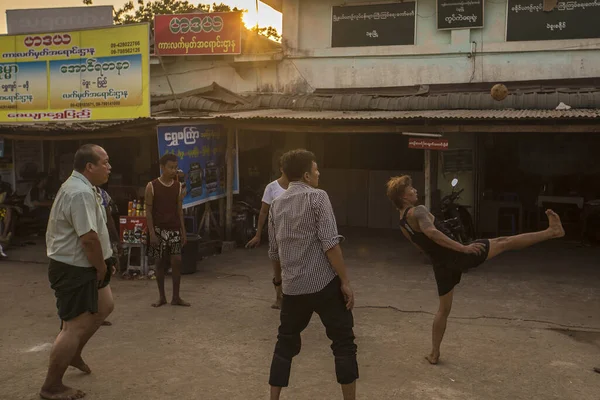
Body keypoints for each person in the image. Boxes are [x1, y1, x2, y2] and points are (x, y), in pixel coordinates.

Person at [385, 175, 565, 365]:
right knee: (504, 242)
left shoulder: (402, 223)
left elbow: (421, 247)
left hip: (441, 265)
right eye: (411, 189)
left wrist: (441, 256)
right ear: (403, 196)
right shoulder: (418, 211)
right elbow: (433, 233)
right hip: (458, 254)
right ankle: (552, 232)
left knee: (443, 310)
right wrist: (462, 248)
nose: (415, 191)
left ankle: (434, 353)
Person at [267, 149, 358, 400]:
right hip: (324, 285)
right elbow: (330, 244)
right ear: (307, 175)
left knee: (284, 344)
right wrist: (345, 282)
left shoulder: (275, 205)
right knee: (344, 343)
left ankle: (273, 398)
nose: (319, 174)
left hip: (293, 288)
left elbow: (274, 252)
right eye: (316, 169)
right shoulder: (318, 197)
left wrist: (279, 284)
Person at [41, 144, 115, 400]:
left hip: (88, 264)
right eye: (104, 162)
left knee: (105, 305)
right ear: (89, 167)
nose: (109, 167)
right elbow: (88, 239)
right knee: (73, 327)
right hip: (77, 266)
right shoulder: (80, 193)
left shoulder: (84, 187)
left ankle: (73, 354)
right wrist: (101, 266)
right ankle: (51, 386)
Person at [145, 154, 189, 308]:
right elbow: (148, 211)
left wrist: (183, 232)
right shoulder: (151, 186)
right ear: (162, 167)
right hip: (158, 230)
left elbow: (179, 210)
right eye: (170, 167)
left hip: (174, 229)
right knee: (159, 263)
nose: (173, 170)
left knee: (177, 261)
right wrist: (152, 233)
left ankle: (176, 297)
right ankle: (162, 297)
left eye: (175, 167)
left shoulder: (178, 187)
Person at [246, 161, 289, 309]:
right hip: (276, 233)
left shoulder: (299, 187)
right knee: (277, 267)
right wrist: (258, 235)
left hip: (293, 234)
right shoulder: (272, 187)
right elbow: (264, 211)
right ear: (281, 168)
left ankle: (292, 299)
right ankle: (279, 297)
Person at [95, 186, 122, 327]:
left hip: (103, 237)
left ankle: (99, 314)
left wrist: (115, 237)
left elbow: (109, 217)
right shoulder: (81, 193)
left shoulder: (103, 194)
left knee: (103, 278)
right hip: (92, 238)